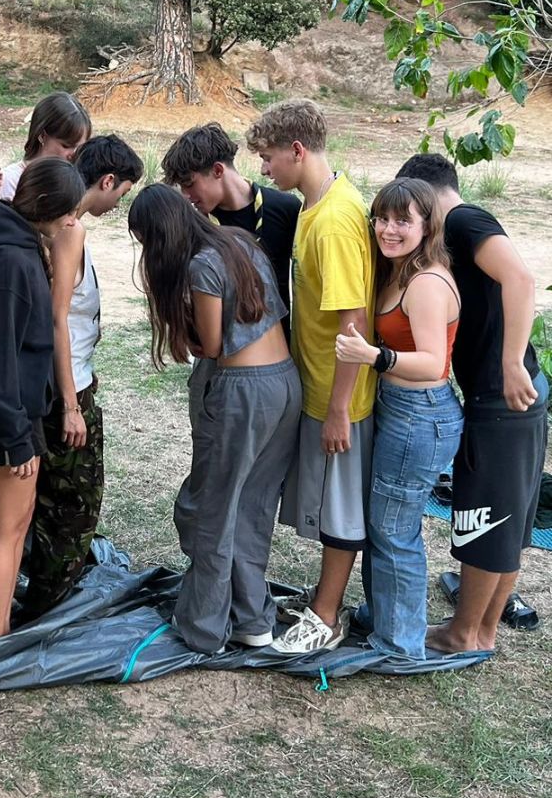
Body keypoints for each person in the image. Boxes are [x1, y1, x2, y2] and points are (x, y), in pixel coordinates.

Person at [129, 185, 301, 653]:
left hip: (243, 392)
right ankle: (252, 619)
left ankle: (204, 627)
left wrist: (178, 324)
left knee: (211, 507)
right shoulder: (239, 241)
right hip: (285, 384)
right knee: (251, 508)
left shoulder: (201, 266)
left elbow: (210, 344)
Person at [396, 153, 547, 653]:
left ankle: (464, 633)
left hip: (503, 395)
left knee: (488, 518)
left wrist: (511, 363)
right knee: (509, 520)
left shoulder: (463, 220)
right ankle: (481, 631)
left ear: (425, 192)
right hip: (511, 395)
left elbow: (521, 279)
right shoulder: (454, 232)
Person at [243, 100, 376, 655]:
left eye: (268, 157)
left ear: (297, 151)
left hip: (340, 395)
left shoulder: (336, 222)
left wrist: (340, 407)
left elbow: (354, 322)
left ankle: (327, 615)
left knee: (341, 508)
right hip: (319, 385)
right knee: (325, 501)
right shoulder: (313, 206)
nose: (264, 169)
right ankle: (324, 598)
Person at [334, 178, 463, 658]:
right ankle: (385, 618)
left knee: (394, 530)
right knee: (386, 523)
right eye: (382, 219)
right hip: (403, 409)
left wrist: (374, 356)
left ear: (427, 225)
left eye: (403, 220)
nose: (389, 229)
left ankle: (400, 643)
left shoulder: (426, 283)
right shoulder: (401, 270)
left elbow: (432, 363)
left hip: (420, 414)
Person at [21, 135, 143, 619]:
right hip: (64, 387)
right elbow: (57, 319)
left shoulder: (61, 226)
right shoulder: (70, 231)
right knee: (73, 506)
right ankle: (46, 609)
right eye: (123, 192)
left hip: (66, 379)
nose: (118, 204)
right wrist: (72, 404)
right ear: (107, 181)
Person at [0, 158, 85, 640]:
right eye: (70, 211)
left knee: (16, 526)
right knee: (3, 531)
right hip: (6, 418)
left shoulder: (19, 244)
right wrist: (16, 437)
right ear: (50, 207)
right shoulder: (11, 262)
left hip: (19, 411)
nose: (73, 221)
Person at [162, 122, 301, 432]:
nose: (186, 196)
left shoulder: (286, 208)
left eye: (190, 184)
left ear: (217, 170)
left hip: (275, 361)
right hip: (218, 362)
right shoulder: (194, 224)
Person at [0, 91, 91, 199]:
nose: (74, 154)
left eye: (79, 148)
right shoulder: (7, 183)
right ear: (42, 135)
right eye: (66, 146)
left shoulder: (72, 185)